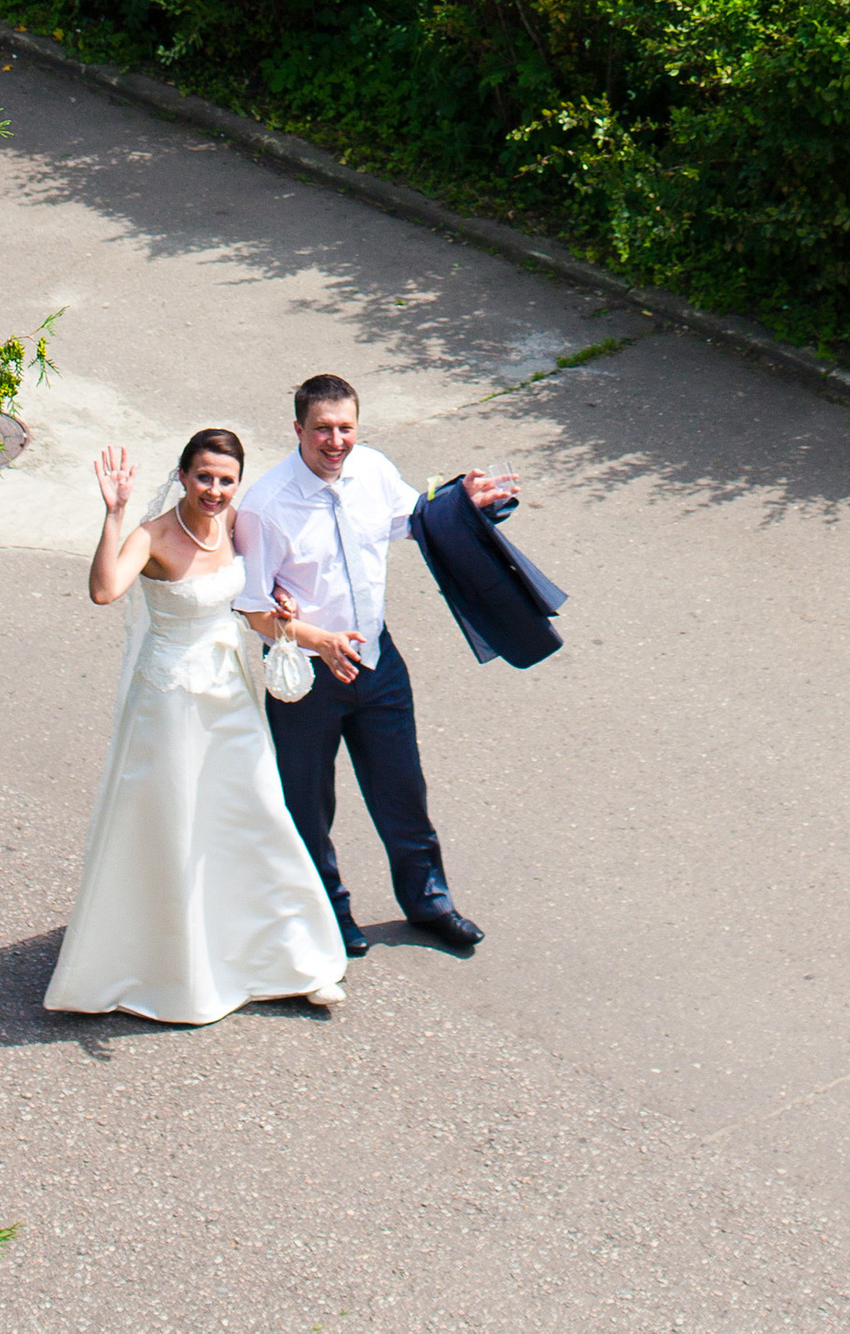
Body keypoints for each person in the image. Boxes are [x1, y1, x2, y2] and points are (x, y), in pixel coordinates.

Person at [44, 428, 350, 1024]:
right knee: (176, 829)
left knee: (256, 817)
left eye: (226, 479)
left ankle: (293, 960)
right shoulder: (153, 536)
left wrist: (303, 624)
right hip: (170, 703)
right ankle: (171, 971)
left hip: (230, 694)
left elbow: (256, 604)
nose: (214, 490)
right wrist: (114, 514)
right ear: (183, 474)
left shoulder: (238, 524)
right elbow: (105, 591)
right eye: (204, 476)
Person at [238, 375, 519, 957]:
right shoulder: (265, 507)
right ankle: (326, 911)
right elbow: (253, 610)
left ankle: (430, 903)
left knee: (402, 790)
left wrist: (463, 501)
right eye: (322, 429)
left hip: (377, 661)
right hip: (309, 677)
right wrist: (315, 638)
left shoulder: (372, 470)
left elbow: (415, 519)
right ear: (297, 431)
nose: (335, 441)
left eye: (345, 428)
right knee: (309, 802)